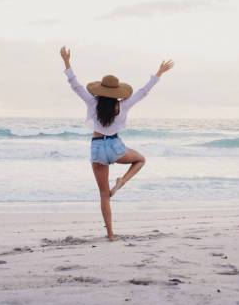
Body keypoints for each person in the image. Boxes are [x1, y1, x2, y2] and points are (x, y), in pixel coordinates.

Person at [60, 46, 174, 241]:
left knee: (104, 195)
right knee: (140, 160)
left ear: (101, 89)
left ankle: (111, 235)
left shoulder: (92, 103)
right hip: (115, 147)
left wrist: (66, 62)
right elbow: (143, 92)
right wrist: (159, 73)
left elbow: (75, 85)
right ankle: (122, 181)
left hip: (97, 148)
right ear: (117, 92)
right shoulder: (123, 105)